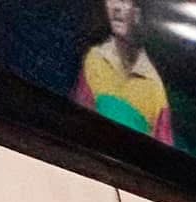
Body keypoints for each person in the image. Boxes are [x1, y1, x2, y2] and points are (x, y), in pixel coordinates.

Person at [72, 0, 173, 145]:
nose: (116, 7)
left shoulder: (155, 90)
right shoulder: (93, 60)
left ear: (139, 12)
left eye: (126, 1)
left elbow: (163, 157)